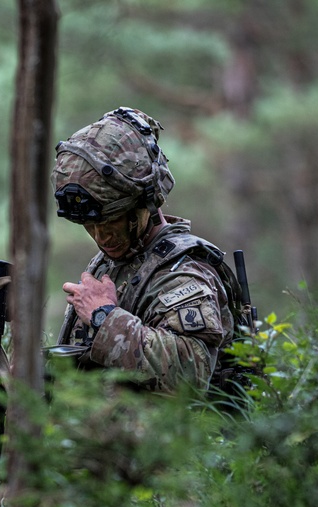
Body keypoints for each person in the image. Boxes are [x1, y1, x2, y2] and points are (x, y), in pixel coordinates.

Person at [52, 106, 237, 393]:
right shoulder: (114, 263)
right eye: (90, 225)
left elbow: (190, 373)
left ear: (146, 203)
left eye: (111, 220)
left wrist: (105, 318)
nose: (101, 236)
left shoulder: (184, 271)